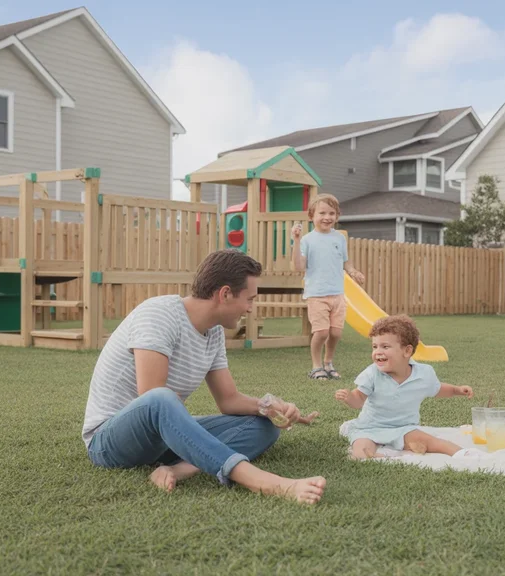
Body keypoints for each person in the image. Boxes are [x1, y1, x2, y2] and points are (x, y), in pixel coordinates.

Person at [81, 249, 327, 504]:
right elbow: (152, 401)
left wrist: (269, 407)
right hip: (110, 441)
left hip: (160, 439)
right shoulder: (159, 315)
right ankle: (266, 482)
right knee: (161, 398)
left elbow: (228, 400)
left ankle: (179, 469)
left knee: (264, 426)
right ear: (225, 294)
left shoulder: (214, 332)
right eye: (249, 299)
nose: (251, 309)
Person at [334, 315, 480, 460]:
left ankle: (462, 453)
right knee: (361, 450)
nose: (378, 351)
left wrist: (456, 390)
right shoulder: (372, 373)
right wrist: (349, 397)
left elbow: (438, 389)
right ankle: (385, 455)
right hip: (370, 428)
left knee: (430, 441)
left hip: (404, 428)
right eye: (375, 346)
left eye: (385, 346)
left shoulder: (423, 374)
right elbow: (359, 399)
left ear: (407, 351)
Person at [290, 193, 365, 380]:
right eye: (322, 213)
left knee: (336, 333)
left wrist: (353, 271)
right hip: (317, 294)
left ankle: (328, 363)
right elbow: (298, 266)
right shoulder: (307, 240)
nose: (327, 217)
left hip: (338, 294)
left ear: (337, 216)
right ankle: (316, 366)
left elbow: (345, 261)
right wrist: (296, 241)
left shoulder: (339, 238)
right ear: (311, 216)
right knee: (322, 332)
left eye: (332, 213)